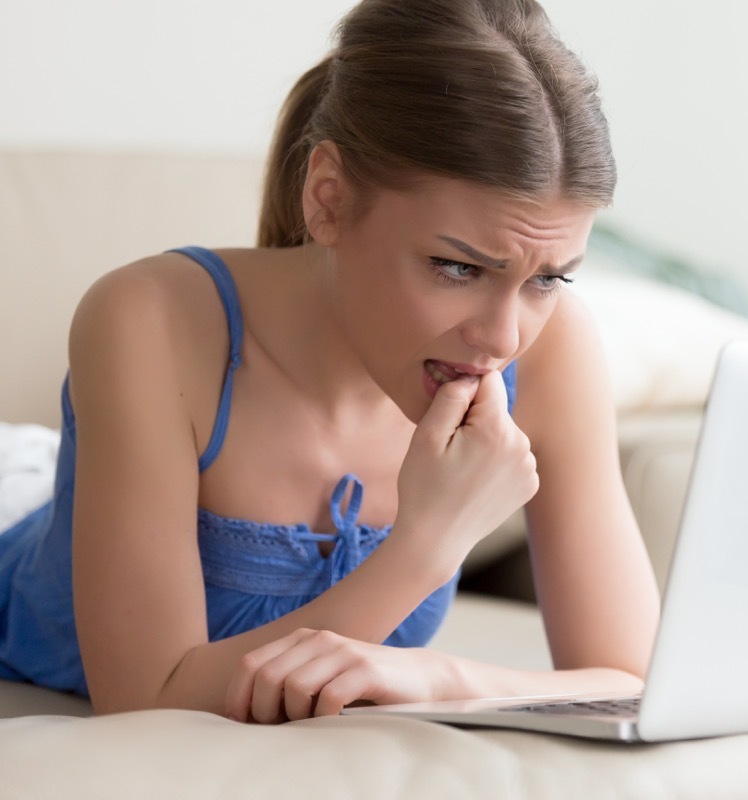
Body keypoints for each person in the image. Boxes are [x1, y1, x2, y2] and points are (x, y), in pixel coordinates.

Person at [0, 0, 660, 723]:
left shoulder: (556, 349)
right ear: (329, 200)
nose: (503, 339)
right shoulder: (148, 320)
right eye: (456, 267)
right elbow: (145, 702)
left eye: (548, 279)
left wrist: (437, 679)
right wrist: (425, 546)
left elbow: (633, 681)